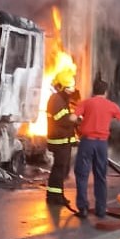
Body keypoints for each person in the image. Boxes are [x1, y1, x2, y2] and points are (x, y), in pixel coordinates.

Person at [73, 79, 120, 218]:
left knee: (82, 174)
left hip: (87, 142)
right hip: (101, 144)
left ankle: (83, 209)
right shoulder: (111, 105)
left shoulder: (85, 103)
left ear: (93, 90)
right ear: (105, 92)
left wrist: (74, 119)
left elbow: (73, 118)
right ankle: (101, 210)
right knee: (101, 176)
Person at [45, 70, 79, 207]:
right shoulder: (56, 99)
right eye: (69, 87)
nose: (72, 90)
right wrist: (76, 119)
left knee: (60, 170)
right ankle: (56, 197)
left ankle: (55, 195)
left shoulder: (61, 99)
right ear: (61, 86)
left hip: (63, 140)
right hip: (59, 141)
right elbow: (62, 119)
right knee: (60, 170)